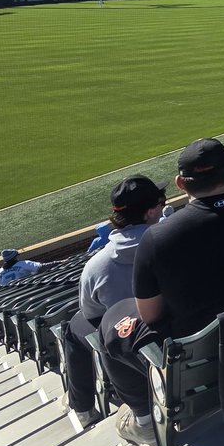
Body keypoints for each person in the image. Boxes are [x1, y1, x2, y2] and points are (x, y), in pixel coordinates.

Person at [99, 138, 224, 446]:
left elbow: (150, 315)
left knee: (111, 319)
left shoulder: (158, 237)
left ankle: (144, 423)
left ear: (179, 183)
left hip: (202, 350)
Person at [61, 176, 166, 428]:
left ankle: (84, 409)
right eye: (161, 202)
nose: (164, 206)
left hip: (132, 347)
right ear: (150, 211)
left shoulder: (96, 266)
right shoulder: (175, 241)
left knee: (74, 328)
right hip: (177, 334)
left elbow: (90, 312)